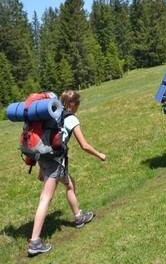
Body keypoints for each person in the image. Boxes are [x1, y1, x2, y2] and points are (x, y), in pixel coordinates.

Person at [27, 90, 106, 256]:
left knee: (70, 183)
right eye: (77, 104)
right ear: (72, 104)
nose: (77, 107)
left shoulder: (52, 114)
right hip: (55, 162)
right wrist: (100, 155)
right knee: (45, 198)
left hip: (44, 157)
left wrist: (41, 168)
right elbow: (84, 145)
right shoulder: (71, 118)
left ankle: (78, 217)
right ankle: (35, 242)